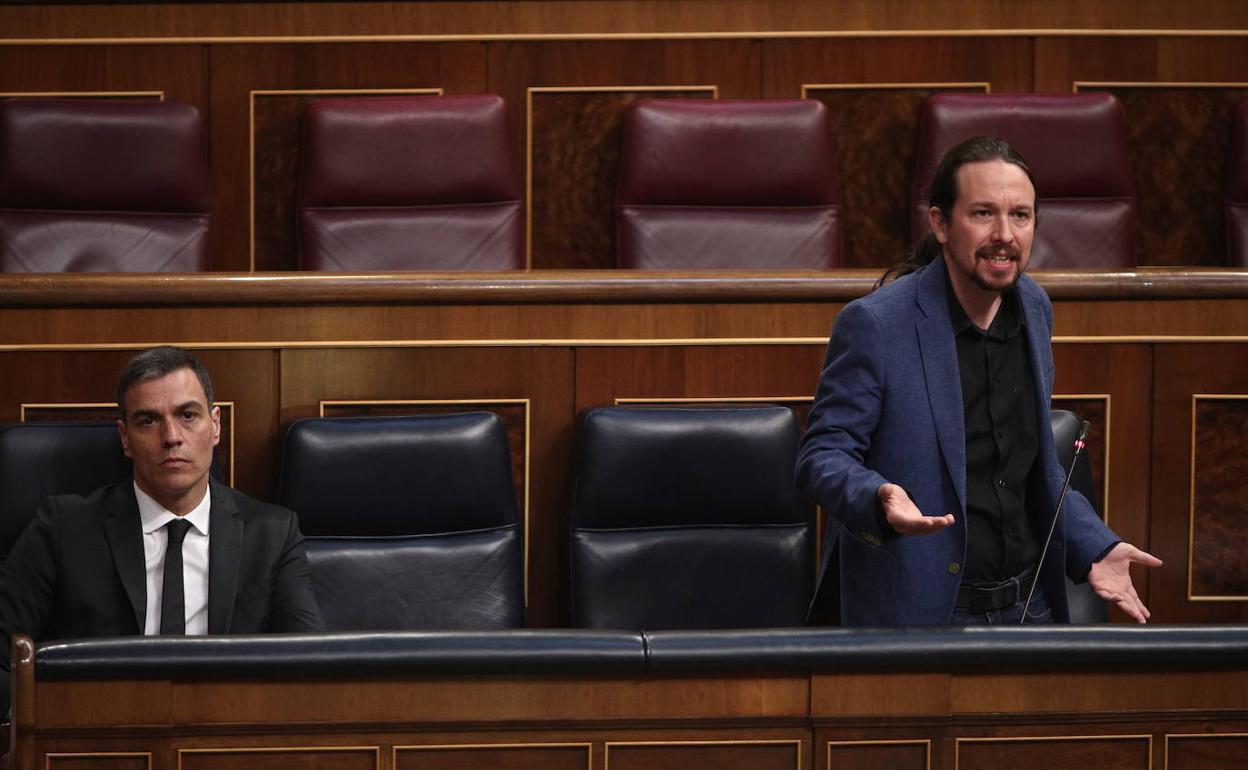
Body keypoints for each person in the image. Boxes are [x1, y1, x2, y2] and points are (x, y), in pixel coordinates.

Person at [797, 136, 1161, 626]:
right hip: (923, 613)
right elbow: (822, 455)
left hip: (1028, 606)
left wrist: (1097, 545)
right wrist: (877, 496)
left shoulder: (1034, 308)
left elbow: (1033, 472)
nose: (1005, 234)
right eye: (983, 213)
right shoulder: (877, 325)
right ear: (941, 224)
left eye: (1021, 216)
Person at [0, 347, 324, 715]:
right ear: (125, 438)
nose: (171, 436)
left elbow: (308, 669)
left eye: (188, 415)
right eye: (148, 421)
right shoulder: (62, 529)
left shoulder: (273, 533)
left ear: (215, 425)